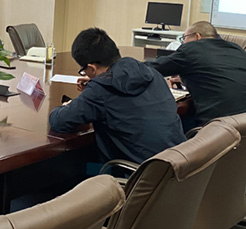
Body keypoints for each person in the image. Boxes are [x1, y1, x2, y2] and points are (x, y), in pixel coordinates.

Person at [49, 27, 185, 164]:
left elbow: (58, 122)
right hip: (179, 165)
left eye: (84, 71)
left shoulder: (100, 90)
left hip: (137, 173)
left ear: (92, 68)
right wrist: (97, 81)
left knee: (74, 167)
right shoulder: (151, 73)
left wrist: (67, 106)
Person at [146, 21, 246, 131]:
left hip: (214, 128)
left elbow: (152, 68)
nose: (183, 43)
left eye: (184, 38)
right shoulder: (237, 49)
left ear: (197, 36)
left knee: (160, 122)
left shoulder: (192, 49)